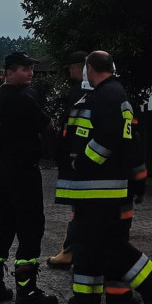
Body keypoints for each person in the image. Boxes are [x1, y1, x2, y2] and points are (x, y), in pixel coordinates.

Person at [54, 51, 152, 304]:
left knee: (105, 245)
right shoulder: (107, 93)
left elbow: (110, 137)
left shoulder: (108, 94)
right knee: (87, 246)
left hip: (99, 187)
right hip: (95, 188)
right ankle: (85, 302)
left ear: (90, 68)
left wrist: (83, 161)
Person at [0, 51, 58, 304]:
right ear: (9, 72)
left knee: (3, 222)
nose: (30, 73)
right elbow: (47, 127)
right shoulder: (23, 97)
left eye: (31, 68)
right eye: (24, 69)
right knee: (30, 226)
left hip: (1, 168)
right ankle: (27, 290)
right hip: (23, 170)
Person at [45, 50, 88, 270]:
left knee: (80, 211)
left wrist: (66, 154)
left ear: (81, 67)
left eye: (71, 67)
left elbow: (72, 130)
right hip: (79, 162)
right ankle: (70, 250)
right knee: (79, 211)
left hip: (77, 163)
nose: (69, 71)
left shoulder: (80, 94)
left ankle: (71, 252)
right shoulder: (91, 92)